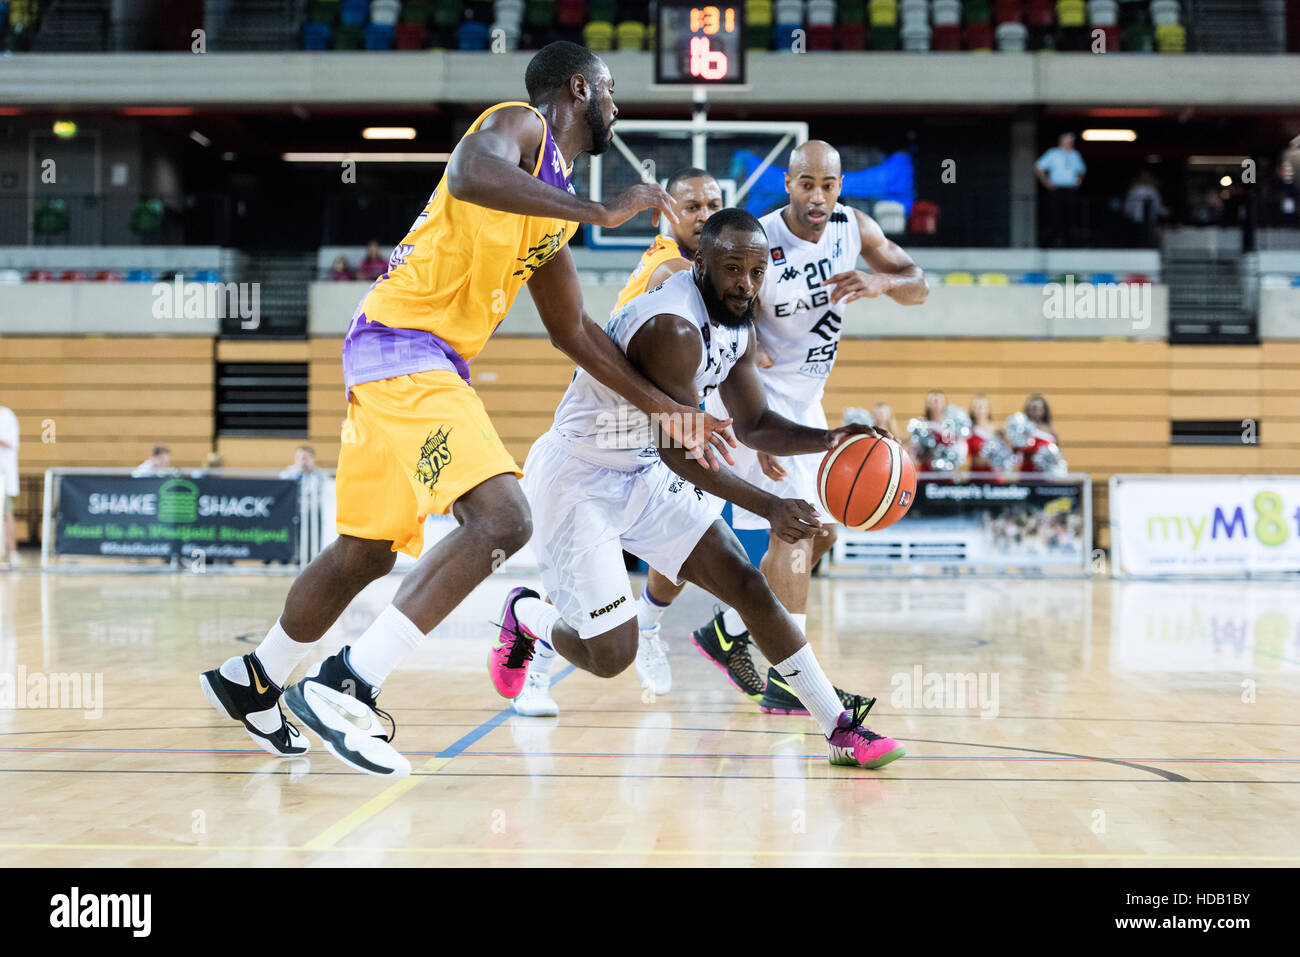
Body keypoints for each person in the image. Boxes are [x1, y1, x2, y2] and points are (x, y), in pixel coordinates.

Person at [197, 42, 734, 775]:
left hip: (399, 357)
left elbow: (571, 332)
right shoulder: (519, 128)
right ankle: (347, 684)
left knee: (366, 549)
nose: (619, 105)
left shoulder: (551, 209)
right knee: (504, 518)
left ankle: (253, 678)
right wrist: (601, 211)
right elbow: (467, 171)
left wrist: (671, 412)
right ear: (580, 87)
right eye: (610, 90)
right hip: (403, 346)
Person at [493, 209, 905, 770]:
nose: (745, 283)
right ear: (701, 263)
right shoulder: (674, 327)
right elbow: (679, 451)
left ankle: (837, 727)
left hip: (641, 469)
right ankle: (526, 616)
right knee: (612, 653)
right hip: (579, 477)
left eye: (757, 271)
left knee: (746, 582)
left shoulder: (738, 317)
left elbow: (755, 422)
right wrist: (770, 505)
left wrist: (831, 439)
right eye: (732, 268)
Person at [635, 141, 928, 714]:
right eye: (806, 184)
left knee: (822, 534)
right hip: (755, 403)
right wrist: (760, 432)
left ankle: (729, 630)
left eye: (828, 185)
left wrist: (882, 284)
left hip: (808, 405)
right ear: (787, 184)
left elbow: (921, 284)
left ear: (840, 187)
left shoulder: (855, 229)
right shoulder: (757, 242)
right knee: (793, 532)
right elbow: (720, 326)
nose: (817, 197)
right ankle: (792, 679)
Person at [1036, 133, 1086, 247]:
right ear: (1062, 141)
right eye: (1068, 141)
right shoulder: (1053, 153)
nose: (1070, 143)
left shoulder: (1075, 154)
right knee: (1055, 214)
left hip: (1070, 189)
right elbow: (1039, 167)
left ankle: (1070, 241)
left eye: (1072, 141)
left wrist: (1079, 180)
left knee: (1071, 215)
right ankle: (1055, 240)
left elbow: (1081, 169)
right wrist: (1045, 182)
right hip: (1057, 189)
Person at [0, 404, 18, 566]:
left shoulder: (6, 415)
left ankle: (12, 551)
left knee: (6, 514)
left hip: (3, 477)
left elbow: (10, 442)